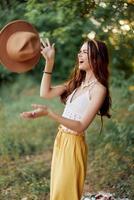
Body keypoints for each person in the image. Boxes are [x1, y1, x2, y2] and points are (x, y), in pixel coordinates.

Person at [20, 37, 112, 200]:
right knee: (57, 191)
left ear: (97, 57)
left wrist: (50, 113)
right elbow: (45, 93)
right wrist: (49, 61)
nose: (80, 55)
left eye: (85, 52)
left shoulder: (99, 89)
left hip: (74, 144)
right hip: (61, 138)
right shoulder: (77, 83)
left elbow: (81, 126)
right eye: (80, 51)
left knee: (66, 193)